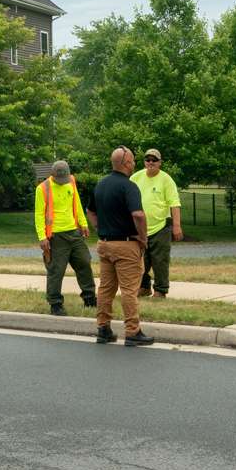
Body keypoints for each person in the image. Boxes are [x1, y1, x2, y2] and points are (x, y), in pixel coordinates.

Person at [86, 146, 154, 346]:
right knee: (129, 290)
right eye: (132, 161)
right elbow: (138, 215)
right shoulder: (129, 186)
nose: (134, 164)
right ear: (126, 163)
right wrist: (143, 238)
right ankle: (132, 331)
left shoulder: (101, 184)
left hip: (105, 244)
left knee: (106, 289)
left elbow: (90, 211)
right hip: (126, 244)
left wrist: (100, 227)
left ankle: (103, 328)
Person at [34, 160, 97, 316]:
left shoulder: (71, 181)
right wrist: (42, 237)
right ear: (52, 175)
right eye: (59, 179)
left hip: (74, 233)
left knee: (84, 262)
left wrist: (83, 224)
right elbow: (39, 214)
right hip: (55, 236)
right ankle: (55, 303)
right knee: (56, 270)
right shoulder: (43, 189)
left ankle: (89, 298)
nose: (63, 182)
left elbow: (77, 203)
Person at [130, 148, 183, 299]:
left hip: (161, 227)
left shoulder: (166, 179)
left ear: (160, 163)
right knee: (140, 260)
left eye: (154, 160)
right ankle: (143, 287)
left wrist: (177, 226)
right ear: (144, 162)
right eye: (148, 160)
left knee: (160, 260)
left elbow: (174, 203)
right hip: (139, 228)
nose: (151, 162)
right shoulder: (135, 178)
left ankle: (160, 290)